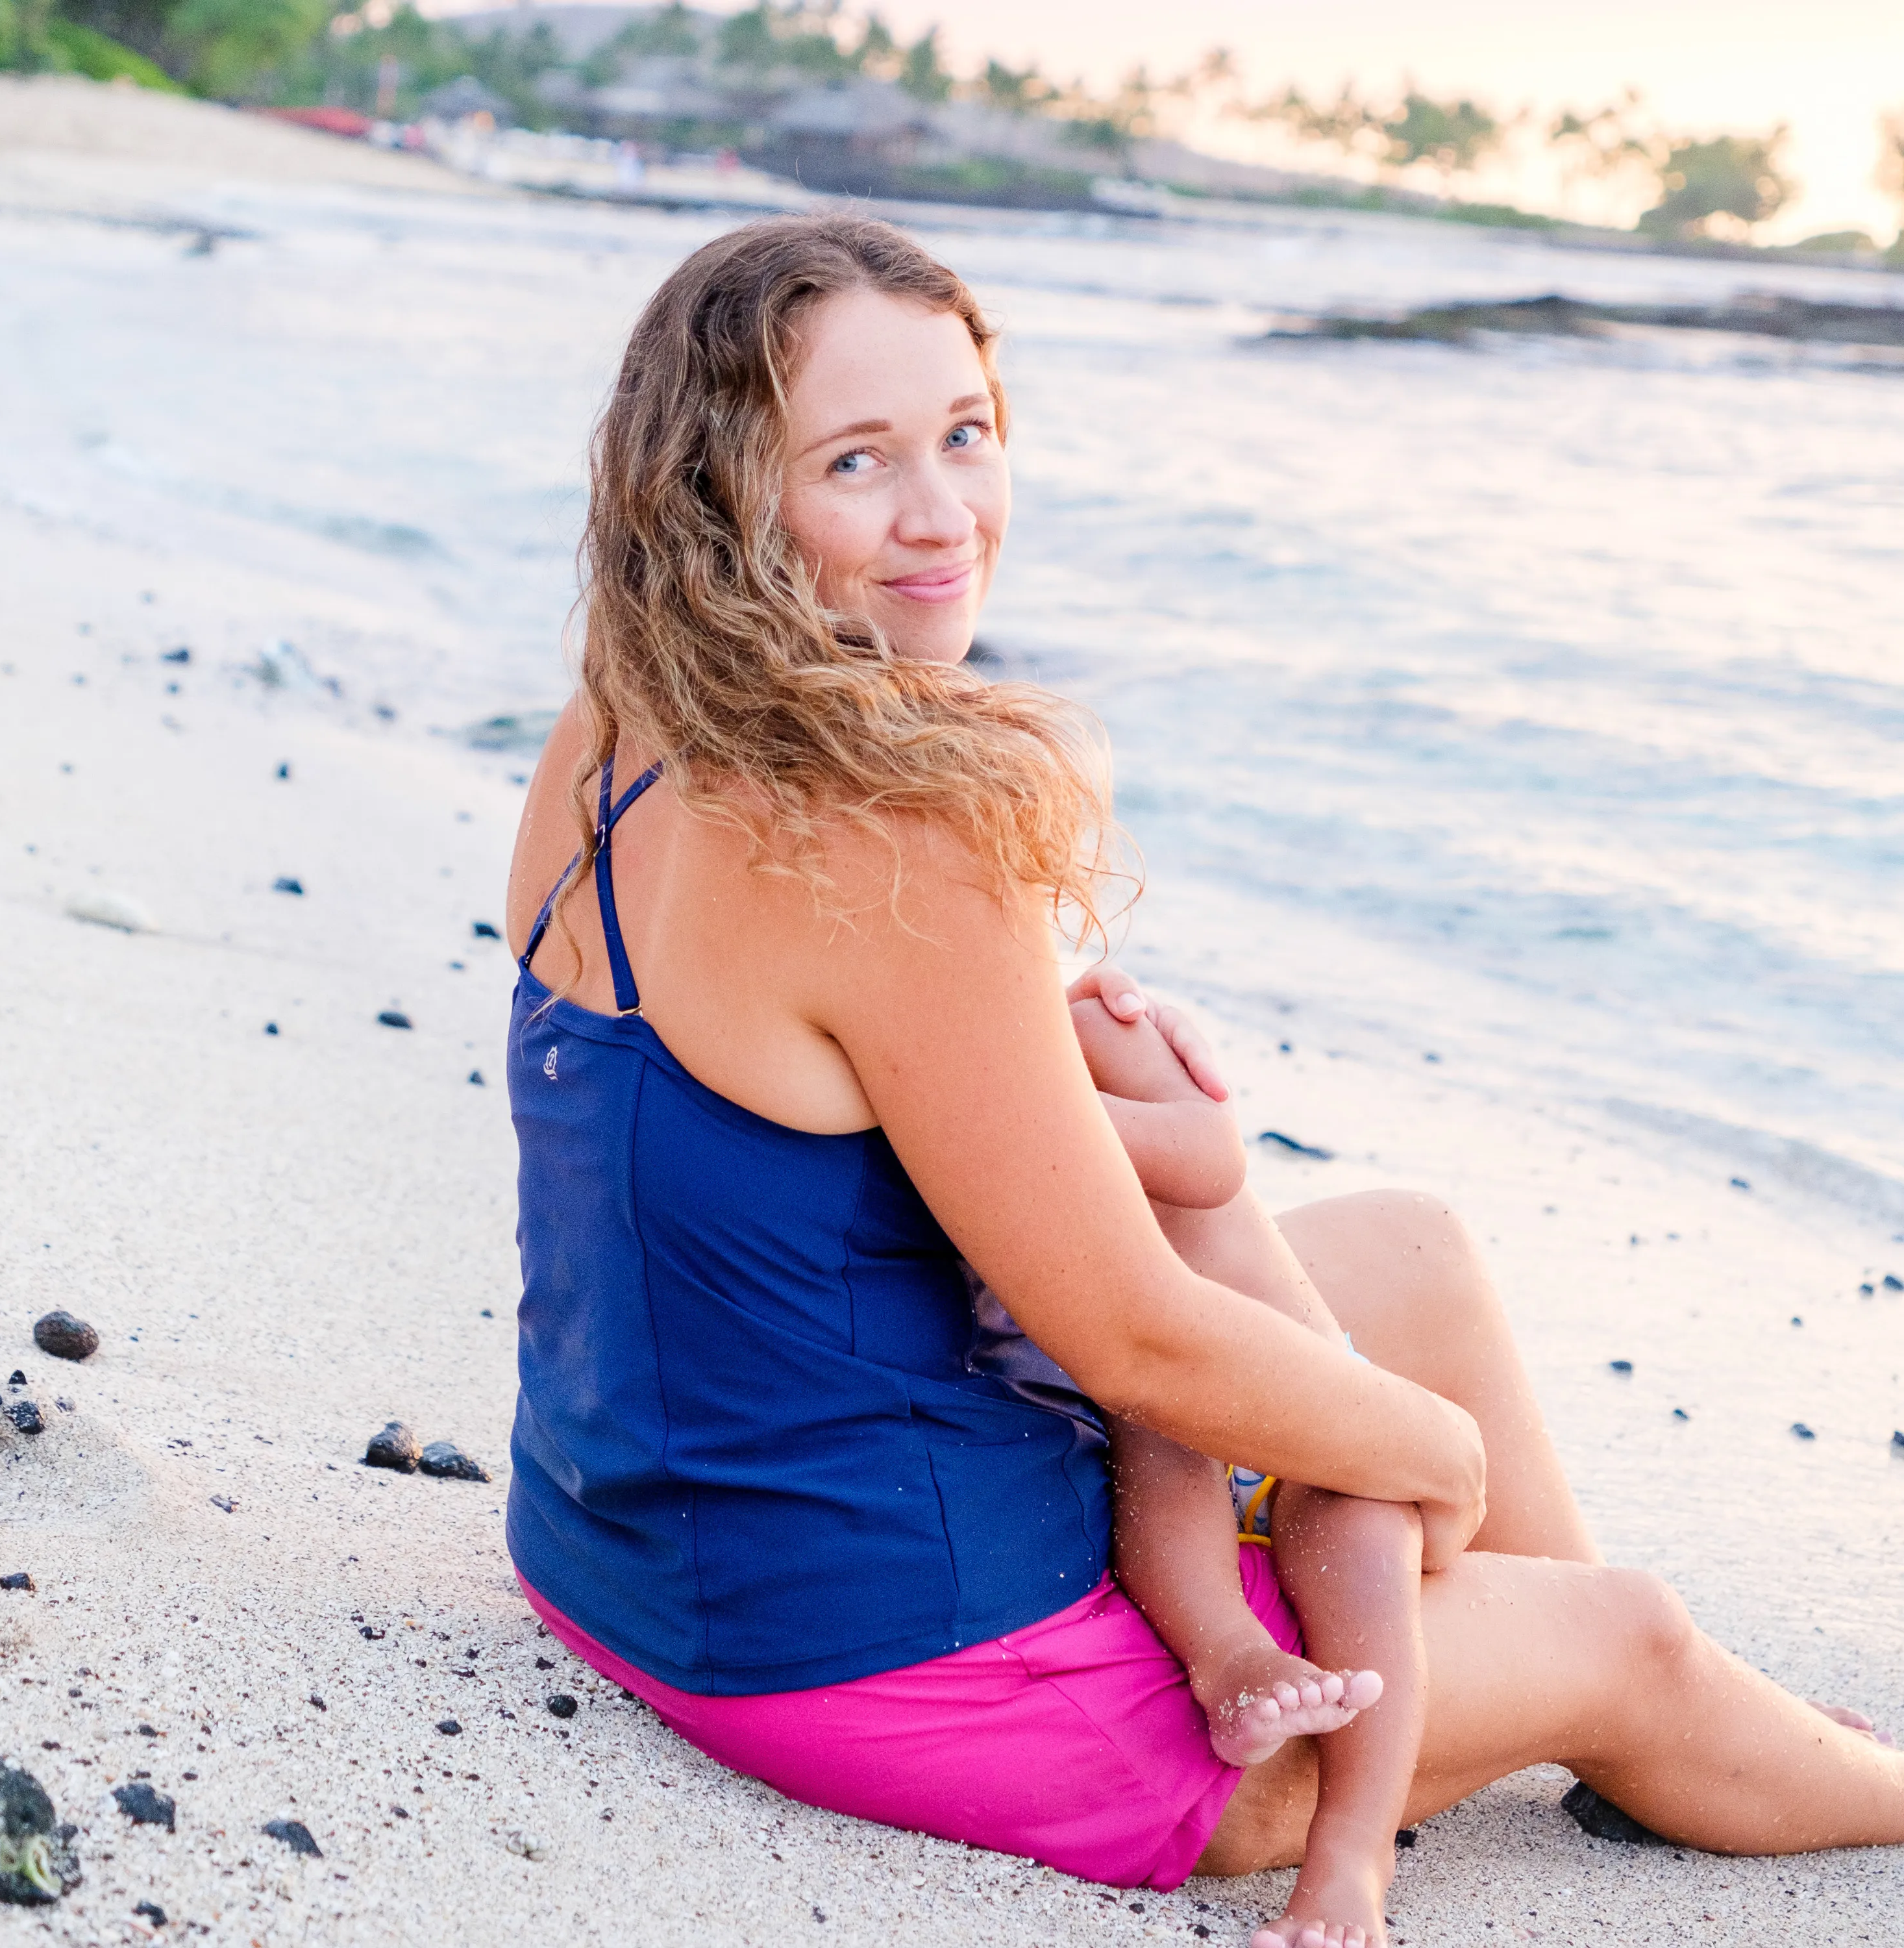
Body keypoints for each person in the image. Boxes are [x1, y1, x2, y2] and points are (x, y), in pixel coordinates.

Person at [502, 212, 1904, 1948]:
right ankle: (1641, 1701)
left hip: (620, 1540)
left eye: (966, 432)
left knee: (1415, 1254)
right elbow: (1137, 1343)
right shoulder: (896, 838)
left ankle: (1583, 1708)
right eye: (858, 461)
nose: (946, 516)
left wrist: (1043, 1056)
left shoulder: (615, 724)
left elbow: (795, 1126)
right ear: (721, 494)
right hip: (904, 1660)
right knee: (1627, 1629)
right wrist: (1433, 1455)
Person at [1035, 995, 1423, 1948]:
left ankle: (1352, 1855)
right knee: (1156, 1443)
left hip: (1286, 1397)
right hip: (1144, 1404)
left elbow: (1212, 1158)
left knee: (1362, 1531)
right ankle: (1233, 1659)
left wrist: (1034, 1103)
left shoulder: (1082, 1027)